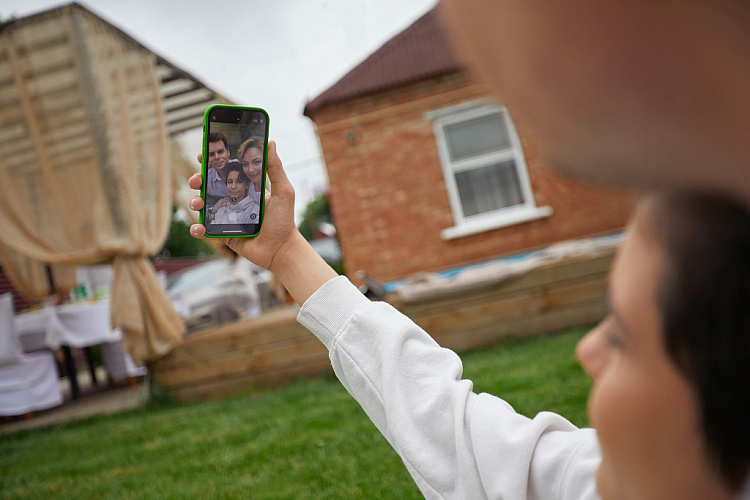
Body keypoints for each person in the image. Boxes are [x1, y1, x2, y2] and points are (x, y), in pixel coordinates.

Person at [188, 144, 749, 498]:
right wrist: (287, 254)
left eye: (623, 337)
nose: (588, 350)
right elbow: (459, 439)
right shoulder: (603, 481)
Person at [205, 132, 238, 209]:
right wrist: (214, 208)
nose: (217, 157)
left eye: (220, 152)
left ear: (228, 152)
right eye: (211, 154)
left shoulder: (243, 168)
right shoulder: (207, 180)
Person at [236, 137, 265, 212]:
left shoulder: (272, 190)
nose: (250, 170)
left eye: (257, 162)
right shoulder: (250, 186)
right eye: (245, 164)